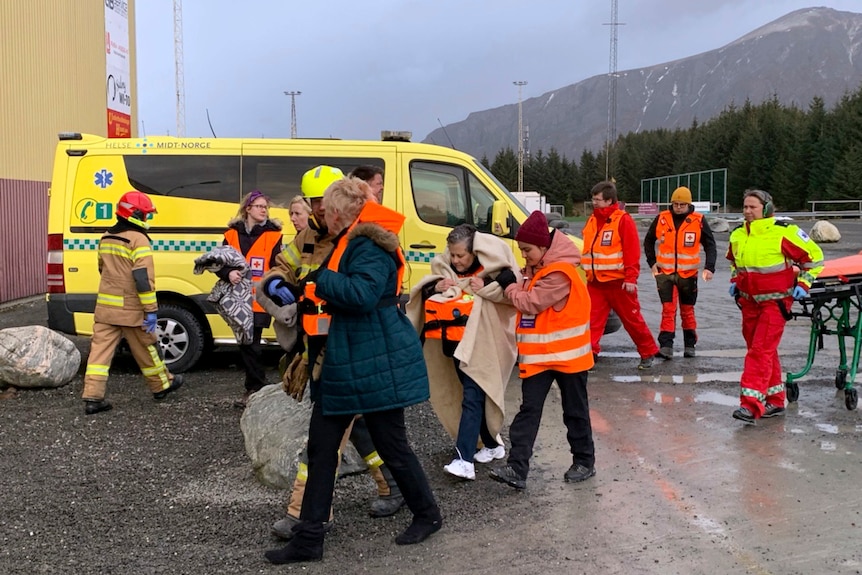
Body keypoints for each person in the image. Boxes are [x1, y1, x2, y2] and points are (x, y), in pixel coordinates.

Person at [265, 176, 442, 564]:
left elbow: (361, 296)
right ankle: (309, 538)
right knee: (323, 448)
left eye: (326, 210)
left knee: (390, 446)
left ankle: (427, 515)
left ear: (342, 213)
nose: (321, 216)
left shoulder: (369, 245)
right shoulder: (358, 241)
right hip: (351, 360)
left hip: (370, 360)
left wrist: (318, 278)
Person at [489, 210, 596, 489]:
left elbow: (530, 303)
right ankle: (516, 469)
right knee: (528, 412)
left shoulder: (560, 272)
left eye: (527, 250)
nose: (524, 255)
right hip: (540, 358)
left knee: (575, 412)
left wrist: (510, 286)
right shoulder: (538, 269)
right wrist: (516, 283)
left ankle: (584, 461)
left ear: (544, 247)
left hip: (568, 358)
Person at [406, 224, 518, 481]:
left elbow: (511, 284)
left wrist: (486, 283)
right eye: (453, 255)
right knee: (472, 397)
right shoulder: (444, 271)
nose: (456, 261)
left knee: (472, 397)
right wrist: (435, 288)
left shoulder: (493, 272)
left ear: (474, 253)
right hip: (455, 346)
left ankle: (464, 459)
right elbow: (422, 294)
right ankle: (492, 445)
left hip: (483, 347)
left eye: (461, 256)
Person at [81, 191, 184, 414]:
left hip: (106, 308)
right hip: (131, 309)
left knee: (99, 354)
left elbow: (102, 268)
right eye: (146, 215)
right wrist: (151, 311)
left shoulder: (106, 236)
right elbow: (142, 279)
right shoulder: (138, 239)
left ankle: (92, 397)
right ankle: (161, 386)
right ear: (135, 214)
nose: (147, 219)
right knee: (147, 348)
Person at [727, 189, 824, 423]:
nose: (748, 211)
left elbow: (815, 258)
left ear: (767, 209)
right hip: (749, 303)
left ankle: (750, 405)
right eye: (745, 207)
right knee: (762, 351)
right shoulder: (738, 235)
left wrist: (804, 283)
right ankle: (776, 400)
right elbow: (734, 263)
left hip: (776, 302)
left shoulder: (784, 233)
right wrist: (735, 281)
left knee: (759, 350)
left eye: (753, 207)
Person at [582, 180, 660, 369]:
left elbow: (631, 252)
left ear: (609, 201)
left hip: (618, 283)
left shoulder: (623, 220)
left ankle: (648, 352)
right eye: (593, 199)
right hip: (596, 283)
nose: (594, 203)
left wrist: (631, 278)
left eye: (598, 200)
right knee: (591, 322)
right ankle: (589, 355)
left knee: (632, 320)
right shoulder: (592, 220)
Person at [220, 190, 283, 409]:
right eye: (259, 206)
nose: (263, 210)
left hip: (259, 298)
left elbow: (278, 266)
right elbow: (219, 260)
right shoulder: (231, 234)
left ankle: (255, 388)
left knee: (251, 342)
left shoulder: (274, 234)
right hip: (236, 298)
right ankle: (256, 386)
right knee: (246, 343)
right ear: (248, 209)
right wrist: (228, 272)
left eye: (265, 206)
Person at [643, 186, 717, 359]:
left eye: (682, 205)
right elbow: (648, 241)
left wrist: (709, 267)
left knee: (687, 310)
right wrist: (652, 263)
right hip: (665, 274)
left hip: (688, 275)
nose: (678, 207)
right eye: (675, 204)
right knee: (667, 310)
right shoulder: (662, 218)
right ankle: (666, 346)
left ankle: (689, 345)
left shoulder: (698, 220)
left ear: (688, 204)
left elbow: (710, 245)